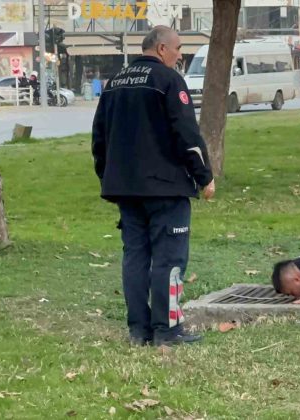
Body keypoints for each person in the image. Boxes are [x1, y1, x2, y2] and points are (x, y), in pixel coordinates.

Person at [92, 26, 216, 347]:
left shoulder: (115, 83)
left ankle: (139, 330)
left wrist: (108, 177)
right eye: (178, 49)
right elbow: (186, 134)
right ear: (161, 49)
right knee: (169, 259)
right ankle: (167, 329)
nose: (180, 55)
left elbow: (99, 139)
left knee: (135, 256)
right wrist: (204, 176)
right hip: (165, 187)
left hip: (125, 188)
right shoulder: (169, 81)